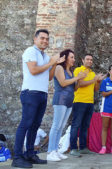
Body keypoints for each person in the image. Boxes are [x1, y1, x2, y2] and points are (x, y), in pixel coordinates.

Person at [12, 29, 64, 168]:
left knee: (35, 125)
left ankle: (30, 154)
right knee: (25, 124)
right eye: (42, 38)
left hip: (42, 94)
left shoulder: (45, 56)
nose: (45, 41)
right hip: (30, 93)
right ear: (35, 39)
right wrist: (50, 62)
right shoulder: (30, 51)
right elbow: (34, 70)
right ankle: (17, 157)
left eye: (47, 39)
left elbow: (49, 77)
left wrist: (54, 63)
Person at [47, 49, 87, 161]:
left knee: (61, 126)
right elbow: (63, 83)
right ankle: (50, 151)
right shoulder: (59, 68)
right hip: (60, 100)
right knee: (56, 125)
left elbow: (74, 88)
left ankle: (56, 150)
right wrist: (77, 78)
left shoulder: (71, 72)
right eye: (72, 57)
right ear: (65, 58)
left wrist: (79, 80)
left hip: (69, 101)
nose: (74, 59)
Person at [69, 54, 106, 157]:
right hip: (79, 101)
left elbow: (96, 89)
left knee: (85, 126)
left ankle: (83, 147)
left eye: (91, 60)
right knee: (76, 125)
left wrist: (98, 81)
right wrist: (94, 80)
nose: (90, 61)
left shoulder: (92, 73)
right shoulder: (78, 70)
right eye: (87, 59)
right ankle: (73, 148)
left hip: (90, 102)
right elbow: (80, 84)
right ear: (82, 60)